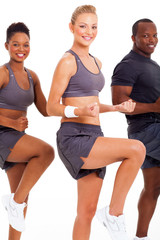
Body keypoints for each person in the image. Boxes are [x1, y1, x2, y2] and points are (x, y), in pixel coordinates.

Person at [47, 5, 145, 240]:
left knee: (86, 212)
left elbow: (93, 104)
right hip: (74, 136)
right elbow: (51, 106)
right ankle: (114, 214)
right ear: (71, 28)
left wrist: (116, 108)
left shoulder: (96, 62)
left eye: (93, 26)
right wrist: (76, 110)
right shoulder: (67, 61)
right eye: (82, 26)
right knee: (136, 149)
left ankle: (108, 215)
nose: (88, 31)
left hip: (94, 134)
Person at [0, 22, 54, 240]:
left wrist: (72, 106)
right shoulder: (3, 74)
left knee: (22, 201)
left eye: (25, 44)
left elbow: (47, 110)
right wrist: (12, 124)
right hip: (3, 135)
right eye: (16, 44)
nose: (21, 49)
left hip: (17, 140)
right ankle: (14, 203)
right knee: (46, 152)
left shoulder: (32, 76)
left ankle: (15, 209)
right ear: (7, 46)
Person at [111, 19, 160, 240]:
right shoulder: (128, 65)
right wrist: (154, 107)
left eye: (154, 35)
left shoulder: (152, 65)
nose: (151, 40)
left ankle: (140, 237)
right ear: (134, 38)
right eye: (145, 36)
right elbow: (119, 101)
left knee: (153, 187)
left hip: (152, 130)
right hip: (145, 130)